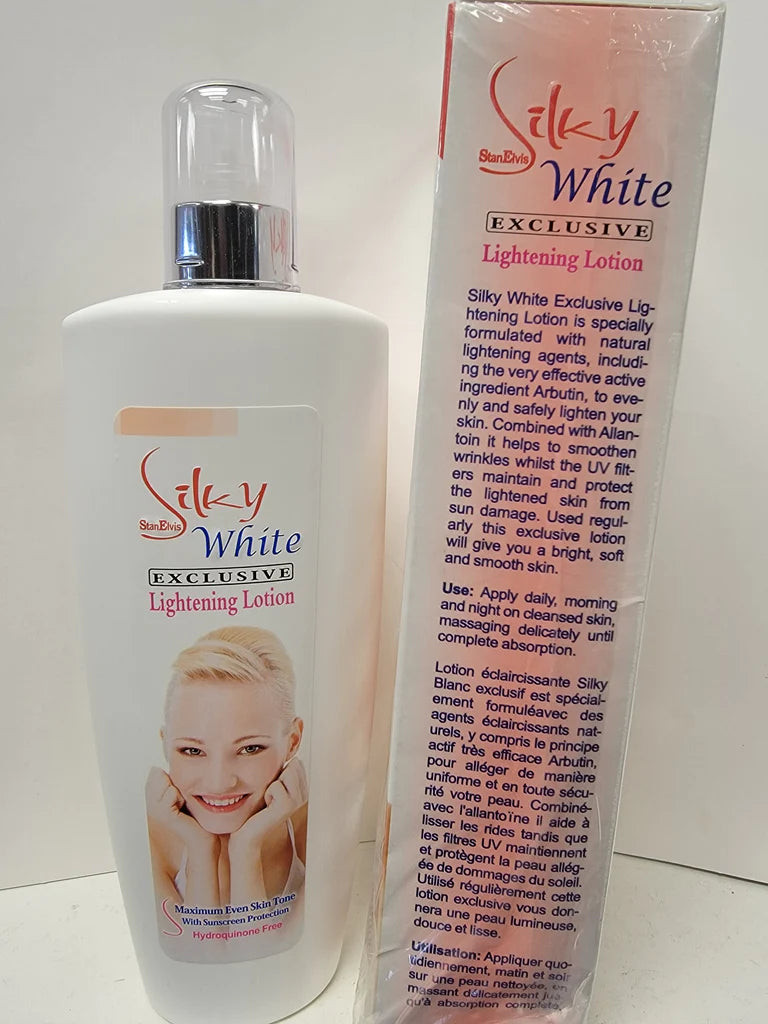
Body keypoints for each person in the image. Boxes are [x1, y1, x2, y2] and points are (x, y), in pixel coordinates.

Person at [146, 626, 307, 912]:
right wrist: (199, 850)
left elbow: (268, 944)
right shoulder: (153, 835)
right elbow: (193, 941)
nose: (219, 783)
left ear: (292, 741)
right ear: (165, 744)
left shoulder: (312, 826)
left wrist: (246, 849)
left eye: (249, 749)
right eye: (193, 751)